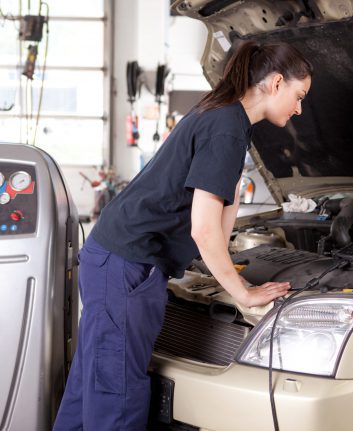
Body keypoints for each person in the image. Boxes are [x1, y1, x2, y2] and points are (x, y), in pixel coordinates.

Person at [53, 40, 313, 430]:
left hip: (111, 258)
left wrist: (231, 201)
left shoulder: (223, 117)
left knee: (91, 385)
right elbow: (203, 230)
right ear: (276, 83)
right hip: (128, 266)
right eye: (299, 95)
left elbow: (217, 232)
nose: (299, 109)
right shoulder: (227, 127)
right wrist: (243, 292)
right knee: (117, 398)